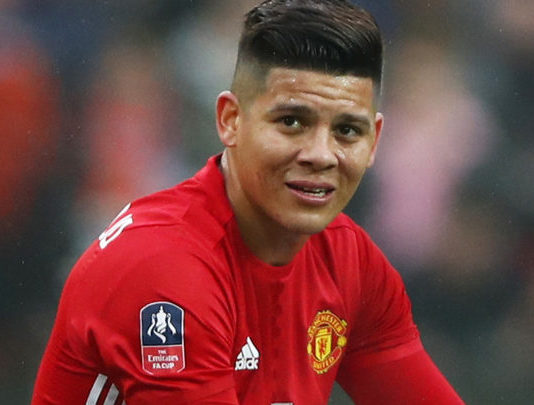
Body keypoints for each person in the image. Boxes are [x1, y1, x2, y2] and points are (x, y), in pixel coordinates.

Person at [32, 1, 465, 403]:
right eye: (292, 122)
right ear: (230, 120)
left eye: (347, 131)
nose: (321, 154)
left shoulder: (350, 261)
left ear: (375, 141)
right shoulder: (163, 269)